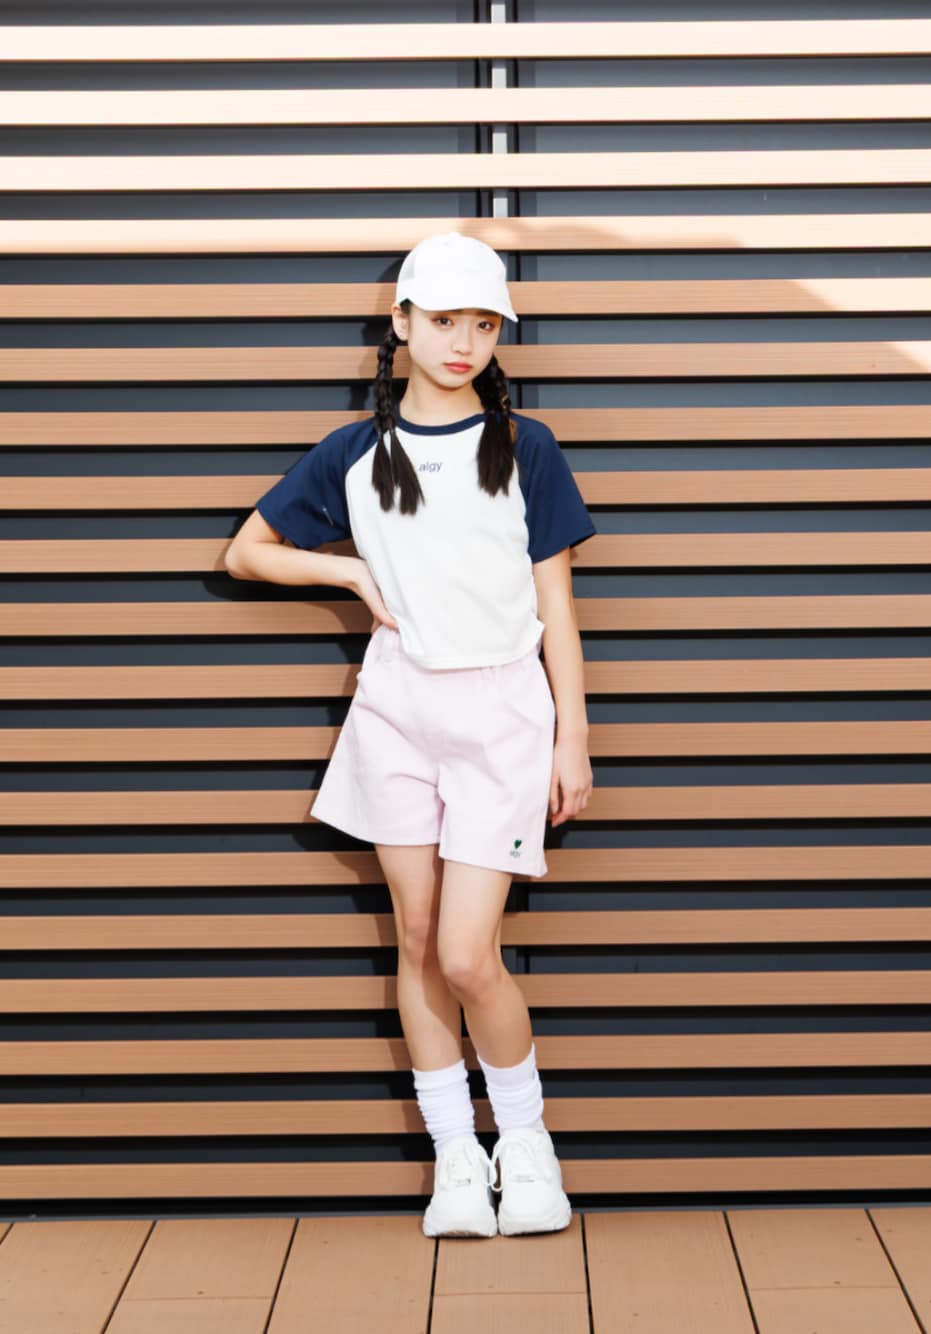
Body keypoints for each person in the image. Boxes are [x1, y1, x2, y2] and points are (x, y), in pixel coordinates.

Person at [224, 230, 597, 1239]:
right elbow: (247, 552)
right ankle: (455, 1160)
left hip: (502, 713)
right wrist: (345, 569)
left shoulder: (527, 447)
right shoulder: (354, 453)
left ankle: (526, 1144)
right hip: (395, 711)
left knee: (470, 954)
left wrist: (571, 739)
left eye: (482, 325)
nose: (462, 342)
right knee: (420, 939)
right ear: (400, 325)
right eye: (442, 321)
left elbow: (557, 608)